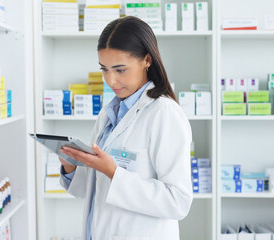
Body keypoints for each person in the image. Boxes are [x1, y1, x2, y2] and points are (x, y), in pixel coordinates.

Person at [59, 16, 193, 240]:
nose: (110, 80)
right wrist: (70, 166)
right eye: (104, 69)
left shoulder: (164, 113)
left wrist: (114, 172)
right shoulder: (108, 114)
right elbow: (91, 190)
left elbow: (177, 202)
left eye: (120, 70)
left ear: (147, 60)